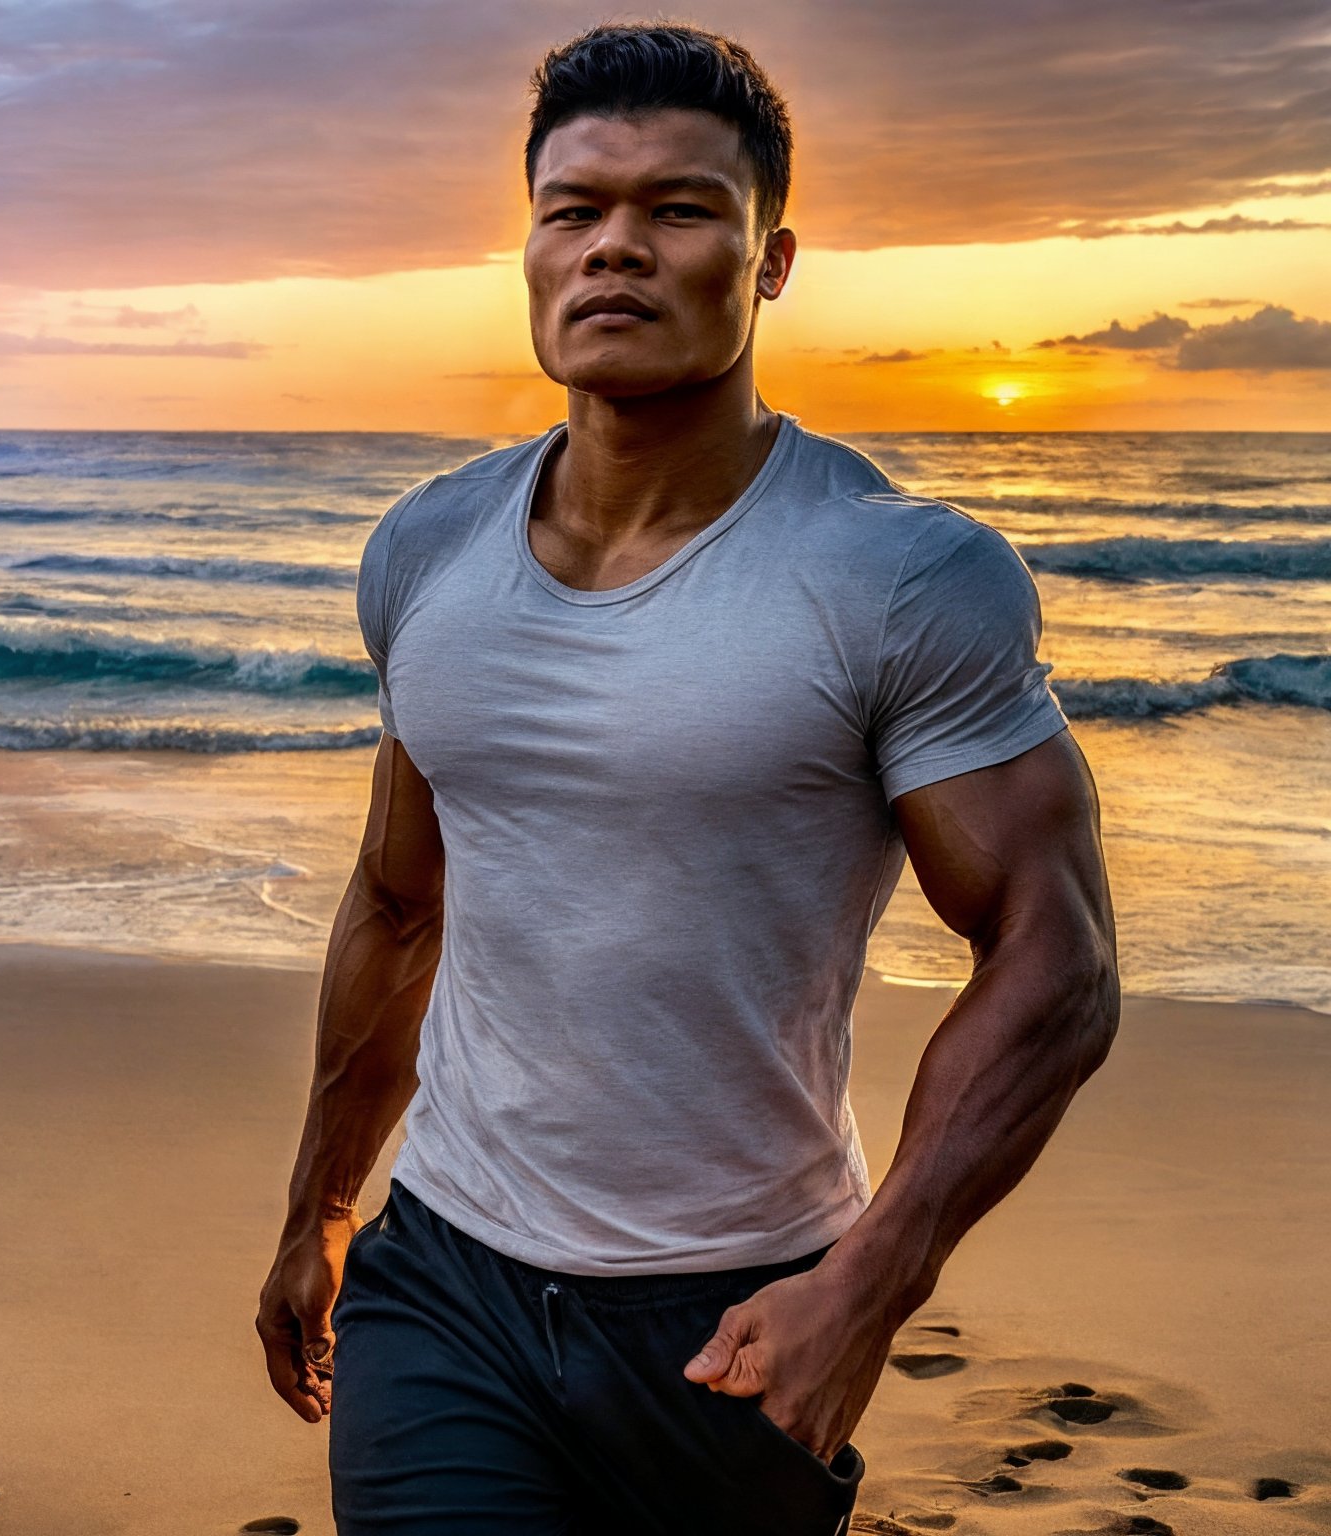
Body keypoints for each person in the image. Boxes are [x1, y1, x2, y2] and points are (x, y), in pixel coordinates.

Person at [256, 20, 1119, 1536]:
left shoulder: (894, 576)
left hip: (734, 1311)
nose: (615, 250)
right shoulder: (426, 553)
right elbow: (401, 903)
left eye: (678, 210)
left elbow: (1058, 957)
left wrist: (869, 1288)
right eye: (573, 210)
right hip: (441, 1282)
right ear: (527, 245)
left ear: (769, 260)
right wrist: (324, 1206)